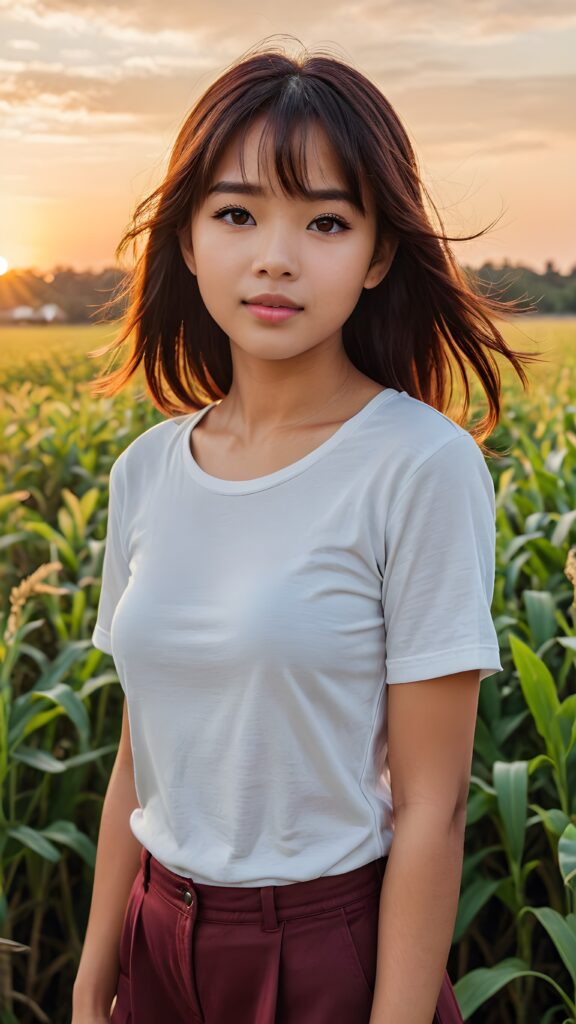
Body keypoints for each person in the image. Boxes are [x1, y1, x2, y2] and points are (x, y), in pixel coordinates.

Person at [71, 38, 542, 1024]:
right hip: (154, 937)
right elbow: (136, 755)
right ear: (189, 239)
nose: (276, 255)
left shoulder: (416, 463)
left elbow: (435, 808)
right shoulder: (146, 471)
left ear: (377, 254)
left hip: (328, 954)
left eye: (326, 220)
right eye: (237, 212)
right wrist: (90, 980)